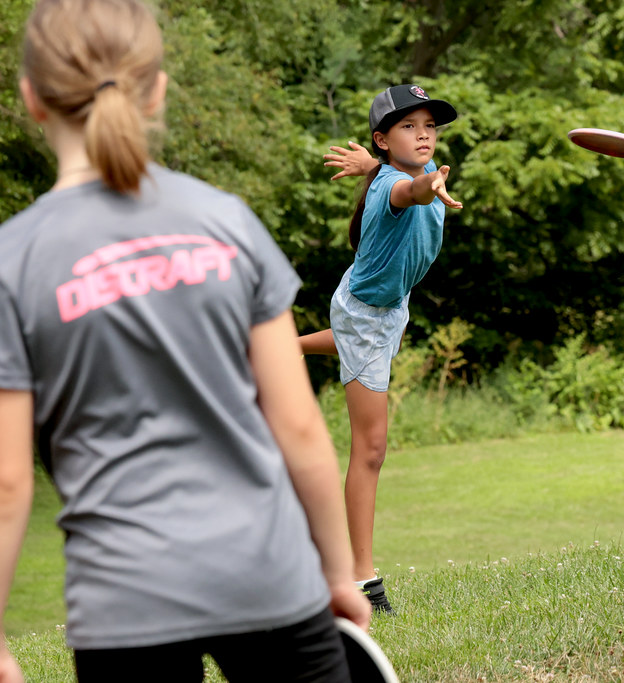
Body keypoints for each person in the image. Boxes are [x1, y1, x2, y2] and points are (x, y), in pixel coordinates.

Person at [0, 1, 370, 681]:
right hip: (271, 579)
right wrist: (339, 572)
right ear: (158, 89)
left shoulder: (12, 260)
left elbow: (6, 479)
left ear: (32, 99)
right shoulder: (225, 222)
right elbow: (298, 426)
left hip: (124, 607)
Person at [299, 84, 463, 614]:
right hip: (367, 315)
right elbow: (403, 195)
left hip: (385, 307)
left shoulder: (395, 171)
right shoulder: (401, 186)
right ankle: (362, 580)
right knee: (371, 450)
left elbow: (394, 177)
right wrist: (425, 185)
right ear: (384, 139)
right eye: (409, 127)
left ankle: (270, 348)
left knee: (349, 348)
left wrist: (382, 165)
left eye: (429, 127)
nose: (424, 135)